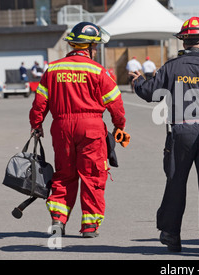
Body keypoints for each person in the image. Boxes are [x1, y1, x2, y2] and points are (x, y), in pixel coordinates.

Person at [130, 16, 199, 257]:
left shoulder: (171, 67)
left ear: (184, 41)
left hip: (180, 132)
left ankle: (172, 236)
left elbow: (150, 94)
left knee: (175, 184)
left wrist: (138, 81)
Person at [29, 22, 126, 238]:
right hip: (91, 128)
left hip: (61, 127)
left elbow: (39, 103)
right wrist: (119, 126)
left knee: (64, 175)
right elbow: (116, 104)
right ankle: (90, 226)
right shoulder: (98, 70)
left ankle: (58, 219)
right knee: (92, 175)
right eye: (96, 46)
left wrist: (37, 125)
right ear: (90, 46)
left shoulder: (53, 68)